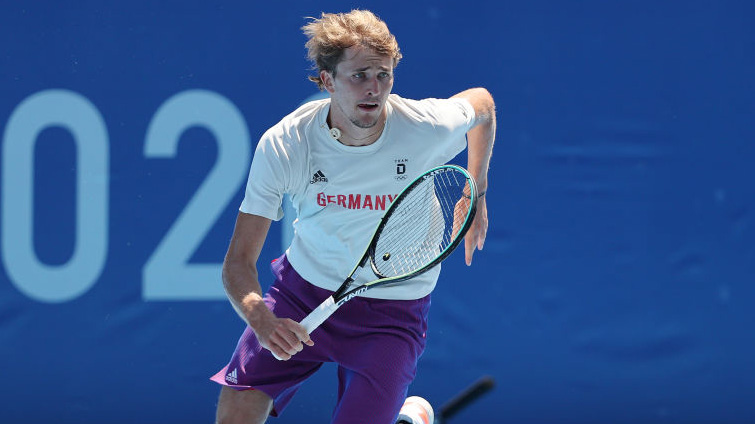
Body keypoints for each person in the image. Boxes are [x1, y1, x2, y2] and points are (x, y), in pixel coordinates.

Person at [211, 9, 496, 424]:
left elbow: (482, 105)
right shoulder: (286, 143)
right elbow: (237, 263)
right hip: (302, 294)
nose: (373, 88)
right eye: (359, 75)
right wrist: (261, 318)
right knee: (235, 416)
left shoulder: (424, 127)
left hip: (393, 312)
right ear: (327, 80)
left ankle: (405, 415)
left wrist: (476, 192)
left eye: (383, 74)